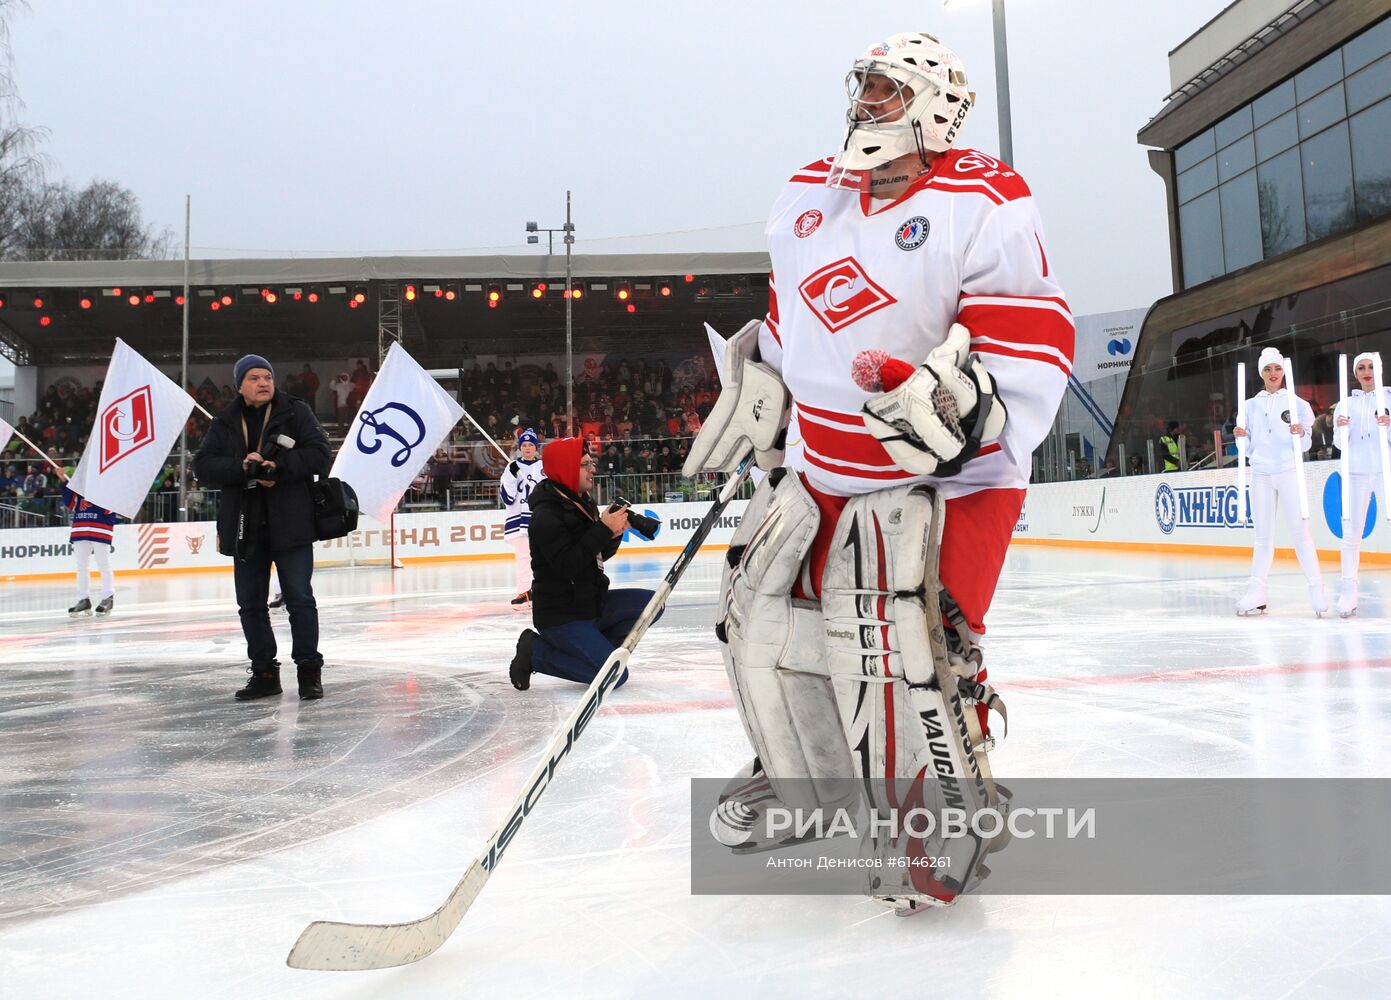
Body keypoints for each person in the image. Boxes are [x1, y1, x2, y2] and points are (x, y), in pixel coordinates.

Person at [683, 31, 1072, 914]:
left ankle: (949, 800)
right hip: (823, 468)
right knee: (765, 625)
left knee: (915, 641)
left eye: (889, 89)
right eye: (863, 85)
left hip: (950, 479)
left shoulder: (988, 195)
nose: (867, 101)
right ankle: (806, 779)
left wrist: (968, 407)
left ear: (937, 105)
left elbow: (1030, 331)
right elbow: (790, 324)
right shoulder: (804, 195)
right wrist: (760, 391)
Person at [194, 355, 333, 700]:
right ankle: (264, 673)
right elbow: (203, 467)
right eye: (254, 378)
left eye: (268, 376)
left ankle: (308, 671)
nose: (263, 383)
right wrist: (243, 467)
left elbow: (319, 454)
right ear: (240, 385)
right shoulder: (225, 420)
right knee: (251, 605)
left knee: (300, 599)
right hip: (246, 527)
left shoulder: (295, 411)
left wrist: (279, 467)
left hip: (292, 523)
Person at [507, 437, 656, 691]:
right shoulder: (546, 516)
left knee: (653, 604)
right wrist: (602, 529)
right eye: (585, 464)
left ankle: (595, 652)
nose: (593, 469)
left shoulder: (580, 502)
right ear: (566, 468)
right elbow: (568, 565)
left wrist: (613, 534)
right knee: (616, 677)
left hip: (590, 604)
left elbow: (595, 555)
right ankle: (537, 652)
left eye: (591, 463)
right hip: (562, 616)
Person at [1232, 347, 1325, 616]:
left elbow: (1307, 444)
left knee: (1300, 533)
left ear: (1284, 371)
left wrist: (1300, 434)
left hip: (1288, 471)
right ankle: (1256, 591)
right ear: (1261, 373)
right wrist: (1241, 437)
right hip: (1260, 473)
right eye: (1267, 369)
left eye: (1277, 369)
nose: (1273, 374)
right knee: (1262, 537)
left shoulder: (1298, 404)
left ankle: (1316, 589)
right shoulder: (1249, 406)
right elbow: (1246, 449)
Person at [1331, 351, 1391, 617]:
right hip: (1355, 472)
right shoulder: (1346, 405)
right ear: (1355, 374)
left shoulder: (1389, 398)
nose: (1366, 372)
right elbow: (1338, 444)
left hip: (1385, 470)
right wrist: (1342, 430)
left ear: (1378, 370)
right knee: (1351, 532)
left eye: (1371, 367)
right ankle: (1348, 591)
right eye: (1361, 368)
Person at [499, 428, 546, 607]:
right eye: (524, 445)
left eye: (531, 445)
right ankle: (524, 590)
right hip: (519, 519)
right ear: (520, 448)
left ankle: (544, 590)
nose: (527, 448)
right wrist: (511, 475)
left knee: (543, 555)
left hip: (539, 516)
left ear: (536, 448)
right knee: (523, 557)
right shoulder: (512, 466)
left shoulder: (543, 466)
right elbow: (507, 496)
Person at [61, 482, 117, 617]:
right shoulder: (82, 488)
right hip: (81, 528)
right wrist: (65, 482)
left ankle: (108, 597)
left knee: (103, 563)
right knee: (81, 566)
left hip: (100, 529)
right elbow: (71, 504)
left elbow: (108, 509)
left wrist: (94, 495)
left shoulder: (109, 488)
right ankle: (83, 599)